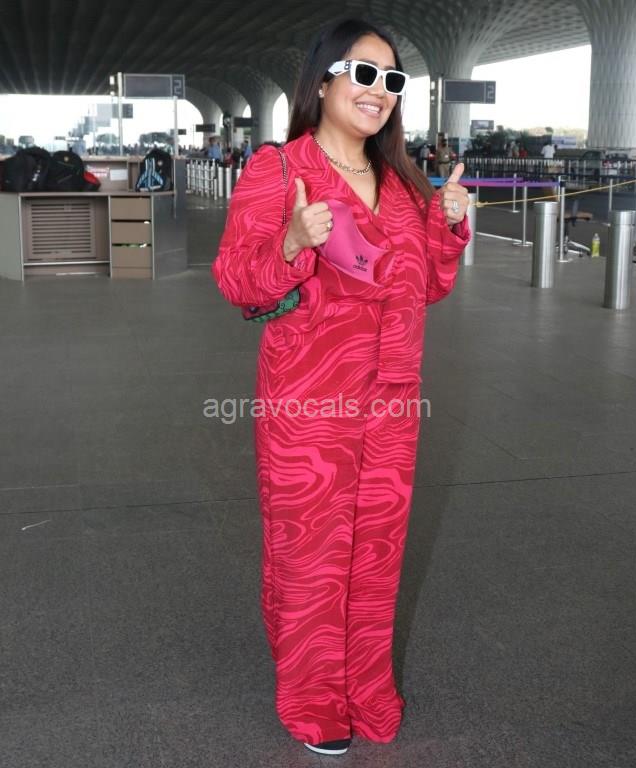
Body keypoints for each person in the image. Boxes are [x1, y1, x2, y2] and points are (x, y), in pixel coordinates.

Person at [212, 17, 469, 757]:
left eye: (392, 79)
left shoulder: (404, 184)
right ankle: (312, 697)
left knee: (376, 553)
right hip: (309, 403)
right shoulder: (279, 169)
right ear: (322, 81)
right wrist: (292, 242)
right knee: (312, 555)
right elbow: (236, 279)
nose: (379, 91)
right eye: (363, 73)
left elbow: (427, 288)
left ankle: (365, 687)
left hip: (391, 402)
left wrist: (448, 228)